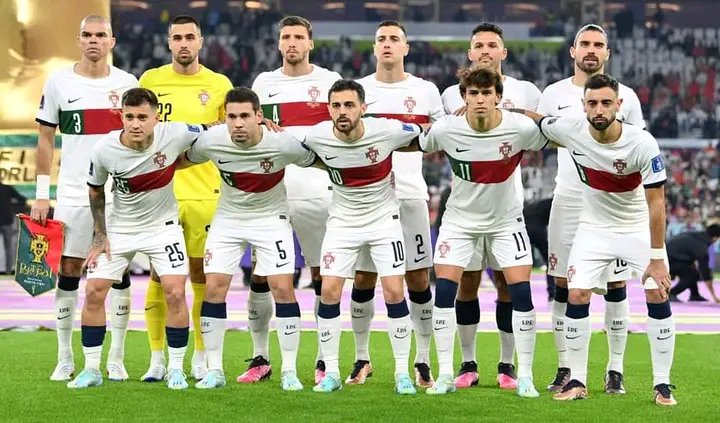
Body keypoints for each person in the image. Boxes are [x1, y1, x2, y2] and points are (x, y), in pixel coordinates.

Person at [527, 74, 676, 406]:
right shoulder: (571, 130)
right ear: (583, 105)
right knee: (576, 293)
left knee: (657, 291)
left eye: (606, 102)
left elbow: (657, 203)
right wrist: (498, 109)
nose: (599, 109)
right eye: (592, 103)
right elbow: (538, 121)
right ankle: (577, 380)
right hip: (593, 228)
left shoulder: (642, 143)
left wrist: (656, 257)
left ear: (618, 105)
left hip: (635, 227)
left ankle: (663, 384)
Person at [421, 67, 546, 397]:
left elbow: (552, 132)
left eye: (486, 93)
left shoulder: (518, 127)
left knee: (520, 293)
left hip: (506, 222)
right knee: (445, 292)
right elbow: (417, 141)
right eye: (473, 93)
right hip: (459, 223)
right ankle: (447, 373)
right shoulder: (447, 128)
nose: (480, 99)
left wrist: (523, 112)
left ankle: (523, 374)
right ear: (463, 97)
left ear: (498, 97)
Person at [183, 87, 318, 391]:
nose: (238, 123)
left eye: (245, 115)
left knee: (282, 288)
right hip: (228, 219)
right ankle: (215, 370)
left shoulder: (282, 142)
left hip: (271, 219)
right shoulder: (211, 140)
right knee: (213, 287)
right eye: (231, 117)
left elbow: (317, 159)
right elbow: (180, 160)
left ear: (259, 116)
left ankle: (289, 371)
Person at [67, 88, 202, 390]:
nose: (135, 124)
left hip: (163, 227)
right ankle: (91, 369)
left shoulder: (176, 132)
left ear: (156, 118)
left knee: (175, 293)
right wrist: (100, 235)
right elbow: (95, 190)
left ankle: (175, 369)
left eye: (142, 117)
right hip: (120, 228)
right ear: (121, 117)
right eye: (129, 117)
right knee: (94, 291)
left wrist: (261, 125)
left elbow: (213, 130)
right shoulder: (105, 149)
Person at [537, 24, 645, 394]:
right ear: (573, 50)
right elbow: (540, 135)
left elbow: (637, 145)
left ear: (607, 53)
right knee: (562, 284)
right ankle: (565, 367)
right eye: (584, 43)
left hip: (611, 202)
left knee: (616, 284)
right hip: (568, 197)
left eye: (598, 45)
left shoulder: (626, 96)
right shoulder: (553, 94)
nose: (591, 50)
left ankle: (615, 369)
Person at [31, 15, 138, 382]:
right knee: (69, 270)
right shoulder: (59, 82)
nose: (94, 40)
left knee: (118, 272)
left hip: (118, 196)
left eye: (101, 35)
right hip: (74, 193)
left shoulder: (127, 83)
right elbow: (45, 139)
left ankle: (116, 358)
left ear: (112, 41)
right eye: (88, 35)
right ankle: (64, 357)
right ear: (78, 40)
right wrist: (41, 195)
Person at [306, 79, 424, 394]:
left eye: (349, 105)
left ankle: (402, 373)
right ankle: (331, 372)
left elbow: (427, 134)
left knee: (394, 292)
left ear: (363, 108)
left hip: (384, 221)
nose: (342, 111)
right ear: (328, 108)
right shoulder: (316, 135)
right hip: (342, 223)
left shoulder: (386, 130)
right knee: (329, 291)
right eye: (336, 105)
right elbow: (285, 145)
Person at [349, 20, 445, 388]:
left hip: (410, 195)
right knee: (364, 277)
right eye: (381, 39)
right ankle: (362, 358)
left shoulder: (425, 91)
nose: (387, 44)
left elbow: (441, 136)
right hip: (366, 198)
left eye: (394, 39)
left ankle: (422, 360)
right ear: (374, 48)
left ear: (406, 48)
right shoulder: (359, 90)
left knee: (417, 277)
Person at [138, 15, 233, 382]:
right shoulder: (151, 80)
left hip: (205, 192)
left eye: (189, 37)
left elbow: (231, 135)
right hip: (161, 192)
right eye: (177, 37)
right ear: (168, 42)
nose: (183, 43)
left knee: (200, 275)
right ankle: (157, 358)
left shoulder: (219, 84)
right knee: (160, 275)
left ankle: (200, 356)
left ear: (200, 41)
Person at [248, 16, 342, 384]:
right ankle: (260, 357)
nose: (292, 43)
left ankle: (322, 360)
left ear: (310, 43)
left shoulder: (329, 81)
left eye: (299, 37)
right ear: (278, 43)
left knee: (322, 276)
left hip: (318, 191)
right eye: (286, 36)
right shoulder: (263, 83)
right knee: (263, 275)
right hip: (273, 191)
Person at [667, 224, 720, 303]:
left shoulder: (696, 235)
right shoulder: (702, 247)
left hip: (666, 258)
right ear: (715, 238)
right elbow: (706, 273)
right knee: (692, 274)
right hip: (670, 261)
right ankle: (672, 293)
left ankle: (695, 294)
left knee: (693, 270)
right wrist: (714, 296)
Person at [0, 182, 26, 274]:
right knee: (9, 247)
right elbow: (22, 199)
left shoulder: (8, 188)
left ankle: (7, 270)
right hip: (7, 220)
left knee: (9, 247)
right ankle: (8, 270)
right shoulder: (7, 188)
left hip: (7, 221)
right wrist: (14, 208)